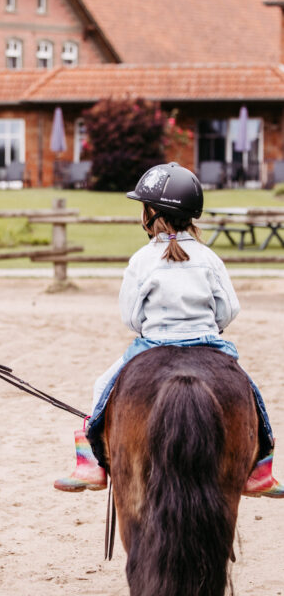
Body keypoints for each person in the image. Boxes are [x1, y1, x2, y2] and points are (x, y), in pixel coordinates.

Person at [53, 162, 283, 498]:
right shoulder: (209, 257)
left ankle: (92, 461)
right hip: (208, 344)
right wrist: (209, 327)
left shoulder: (142, 260)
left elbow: (130, 317)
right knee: (250, 391)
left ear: (149, 214)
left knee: (102, 385)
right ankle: (262, 462)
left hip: (153, 346)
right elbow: (229, 309)